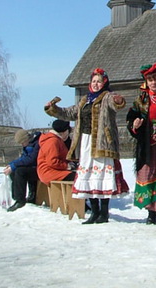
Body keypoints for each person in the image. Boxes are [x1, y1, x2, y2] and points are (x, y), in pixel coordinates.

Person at [45, 68, 129, 224]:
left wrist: (119, 101)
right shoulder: (84, 100)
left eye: (99, 81)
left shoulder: (107, 97)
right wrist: (53, 109)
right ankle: (94, 213)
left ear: (104, 83)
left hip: (102, 143)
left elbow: (117, 103)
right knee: (89, 176)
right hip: (85, 142)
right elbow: (69, 113)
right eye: (94, 81)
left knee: (102, 177)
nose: (96, 84)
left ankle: (104, 213)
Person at [126, 62, 156, 225]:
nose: (153, 83)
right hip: (147, 144)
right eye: (150, 80)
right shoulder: (140, 101)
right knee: (148, 175)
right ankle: (151, 213)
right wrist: (135, 125)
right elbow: (131, 118)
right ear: (146, 82)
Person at [3, 129, 42, 212]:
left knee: (20, 171)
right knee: (14, 171)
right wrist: (11, 165)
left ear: (27, 139)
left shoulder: (37, 143)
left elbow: (32, 159)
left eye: (22, 142)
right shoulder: (28, 145)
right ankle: (16, 197)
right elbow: (24, 158)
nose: (22, 145)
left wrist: (14, 165)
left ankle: (21, 200)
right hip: (33, 167)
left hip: (39, 168)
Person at [37, 119, 76, 185]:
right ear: (64, 131)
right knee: (78, 177)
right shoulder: (53, 141)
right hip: (49, 172)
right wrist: (67, 166)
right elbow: (52, 161)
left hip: (51, 171)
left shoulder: (56, 140)